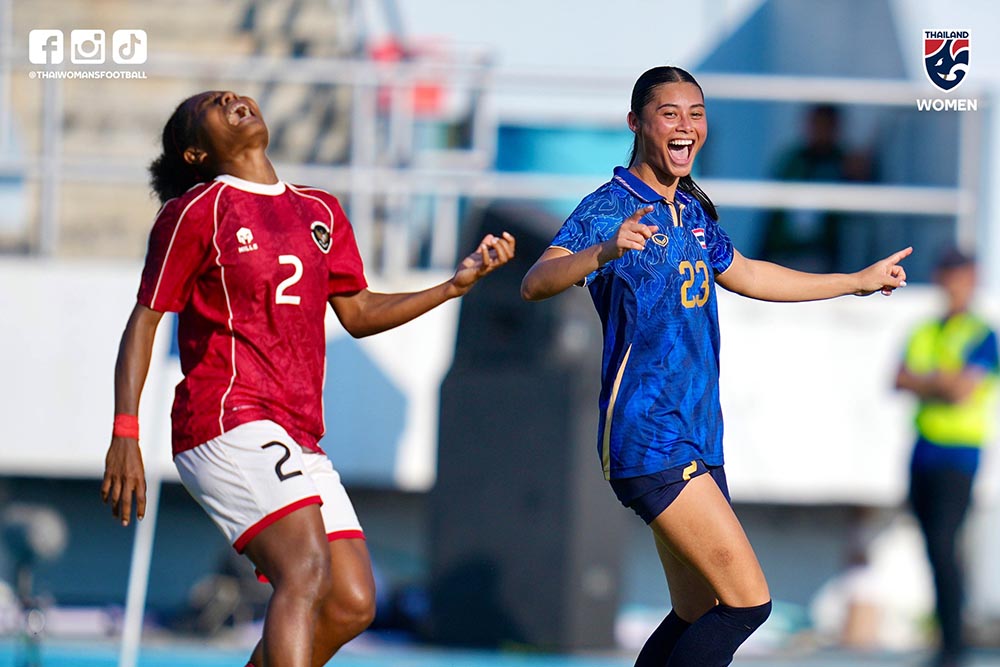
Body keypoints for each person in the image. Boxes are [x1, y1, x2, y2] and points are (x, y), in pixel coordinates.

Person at [100, 90, 515, 667]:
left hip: (296, 435)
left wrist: (453, 285)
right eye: (208, 107)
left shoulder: (319, 210)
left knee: (351, 602)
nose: (229, 97)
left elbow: (360, 311)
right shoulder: (197, 210)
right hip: (226, 418)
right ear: (195, 152)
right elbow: (145, 320)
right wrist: (125, 432)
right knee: (306, 570)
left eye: (232, 94)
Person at [520, 66, 910, 667]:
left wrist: (853, 282)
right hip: (650, 436)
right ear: (636, 123)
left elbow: (750, 274)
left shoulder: (693, 212)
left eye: (696, 113)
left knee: (699, 613)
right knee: (748, 604)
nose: (686, 126)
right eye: (670, 113)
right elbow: (535, 281)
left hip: (699, 435)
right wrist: (603, 250)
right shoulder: (610, 208)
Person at [895, 248, 998, 667]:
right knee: (932, 547)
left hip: (959, 453)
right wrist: (941, 380)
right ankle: (947, 635)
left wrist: (929, 381)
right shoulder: (925, 330)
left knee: (944, 543)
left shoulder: (982, 333)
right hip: (923, 451)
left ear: (971, 280)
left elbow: (961, 391)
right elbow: (898, 378)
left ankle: (953, 643)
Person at [760, 104, 874, 273]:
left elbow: (861, 207)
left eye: (825, 125)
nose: (820, 130)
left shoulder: (843, 162)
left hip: (822, 255)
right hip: (783, 252)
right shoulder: (792, 160)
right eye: (816, 124)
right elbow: (772, 214)